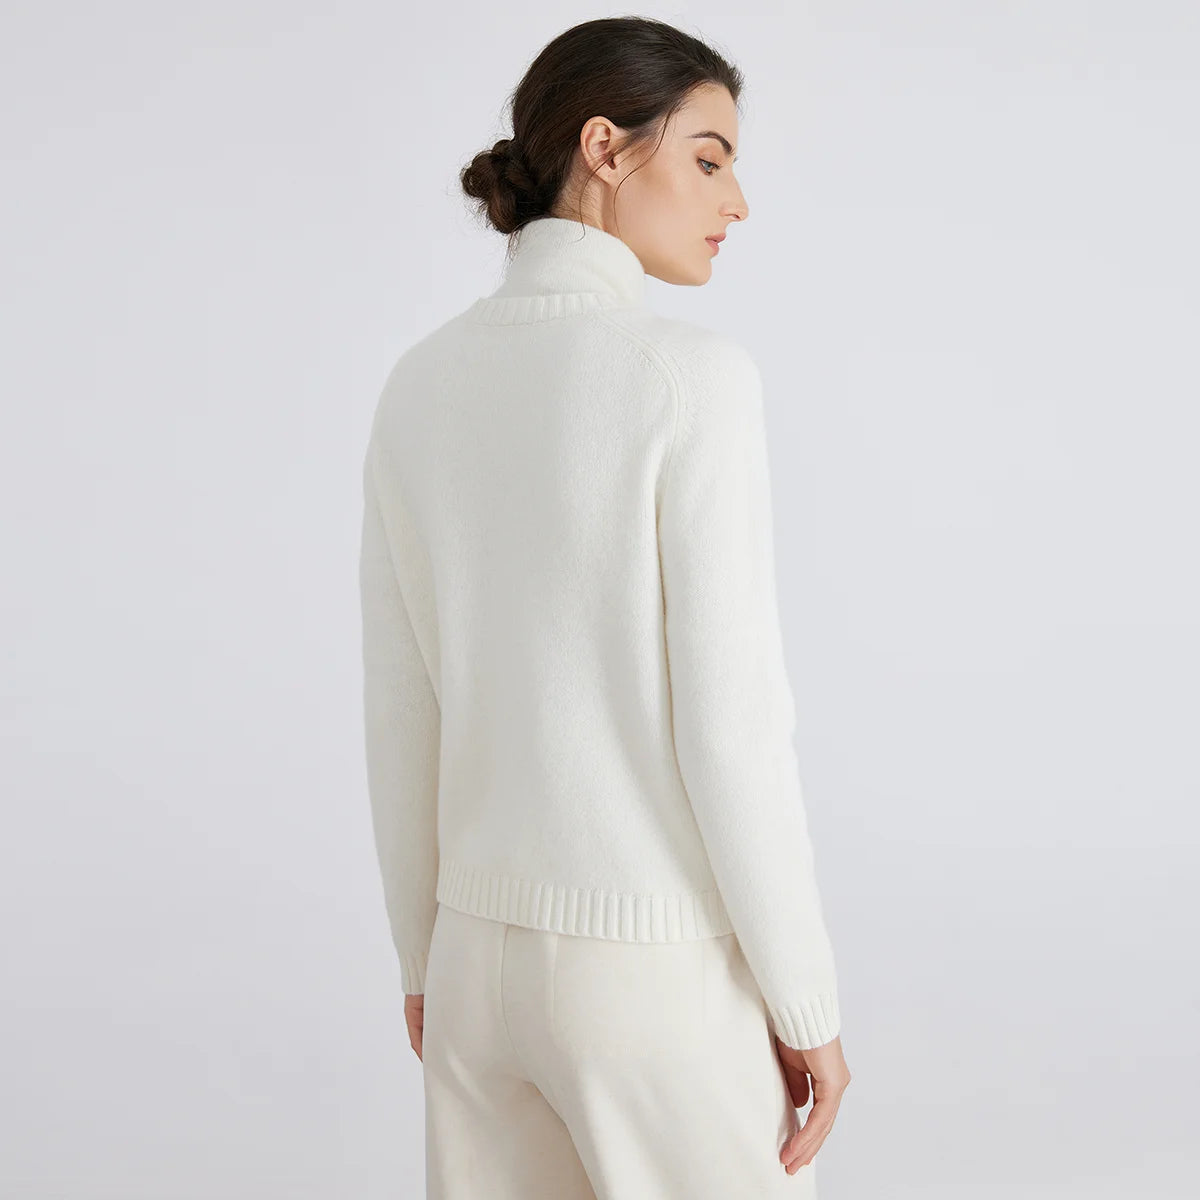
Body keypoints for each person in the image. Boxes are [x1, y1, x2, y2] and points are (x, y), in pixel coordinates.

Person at [358, 15, 852, 1198]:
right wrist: (806, 1002)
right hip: (652, 978)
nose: (736, 203)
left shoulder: (419, 384)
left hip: (473, 966)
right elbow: (732, 730)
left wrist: (424, 958)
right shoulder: (690, 380)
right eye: (709, 158)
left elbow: (400, 707)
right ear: (604, 147)